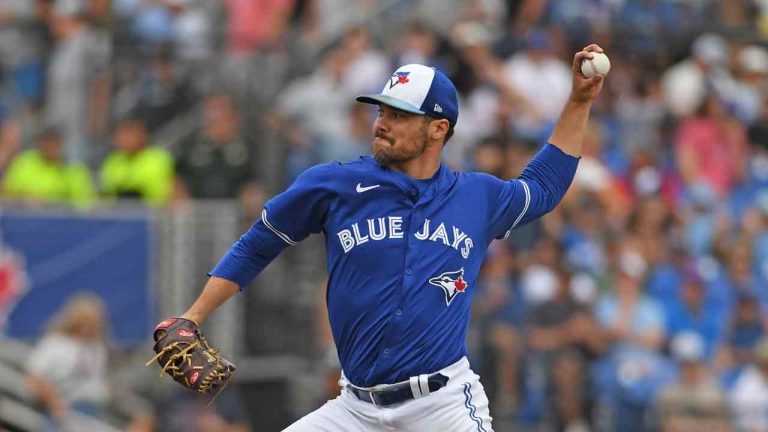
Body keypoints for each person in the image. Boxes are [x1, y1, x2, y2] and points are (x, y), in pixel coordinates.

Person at [162, 44, 605, 431]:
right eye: (381, 111)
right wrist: (194, 315)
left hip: (442, 405)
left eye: (398, 115)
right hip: (354, 409)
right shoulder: (332, 185)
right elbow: (259, 243)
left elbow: (544, 186)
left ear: (438, 128)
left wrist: (579, 102)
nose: (382, 123)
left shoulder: (477, 196)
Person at [2, 127, 95, 209]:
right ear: (40, 144)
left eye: (54, 143)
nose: (51, 148)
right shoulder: (24, 162)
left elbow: (85, 204)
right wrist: (24, 197)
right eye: (47, 143)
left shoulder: (75, 169)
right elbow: (6, 192)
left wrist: (54, 203)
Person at [100, 118, 174, 207]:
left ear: (142, 136)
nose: (123, 140)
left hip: (152, 213)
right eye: (121, 136)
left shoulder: (158, 158)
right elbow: (108, 191)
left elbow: (165, 191)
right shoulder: (112, 161)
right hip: (119, 213)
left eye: (129, 136)